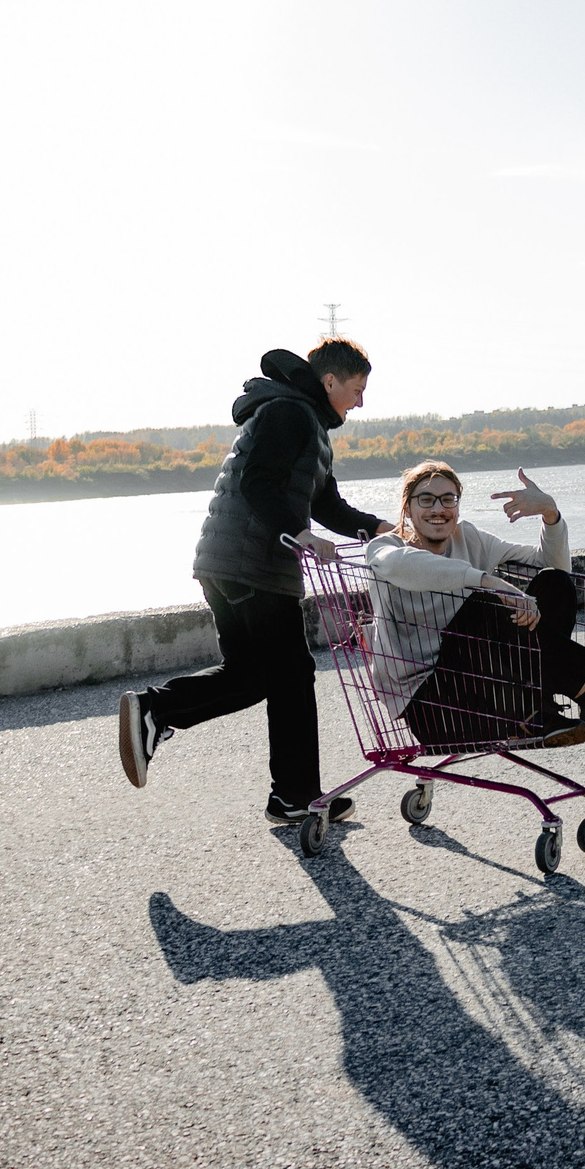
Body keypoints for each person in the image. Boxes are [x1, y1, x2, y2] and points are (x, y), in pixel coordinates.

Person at [117, 339, 386, 824]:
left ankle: (158, 712)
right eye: (356, 389)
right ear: (330, 381)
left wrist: (383, 528)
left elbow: (327, 505)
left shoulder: (309, 425)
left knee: (253, 675)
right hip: (252, 565)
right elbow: (257, 482)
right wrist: (300, 535)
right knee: (292, 677)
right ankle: (293, 793)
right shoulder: (289, 413)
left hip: (226, 563)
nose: (360, 402)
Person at [362, 459, 585, 751]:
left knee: (554, 582)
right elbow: (411, 568)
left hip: (497, 695)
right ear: (407, 508)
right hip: (436, 708)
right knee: (482, 604)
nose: (438, 509)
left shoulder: (468, 538)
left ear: (457, 507)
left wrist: (550, 516)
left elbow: (551, 566)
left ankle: (544, 709)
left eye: (448, 499)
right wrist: (491, 582)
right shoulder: (385, 547)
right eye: (426, 499)